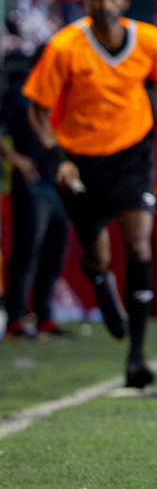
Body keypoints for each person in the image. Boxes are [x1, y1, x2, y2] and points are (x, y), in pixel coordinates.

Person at [23, 0, 157, 386]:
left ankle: (136, 356)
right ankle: (100, 281)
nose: (104, 4)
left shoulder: (150, 40)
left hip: (132, 155)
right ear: (83, 1)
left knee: (138, 246)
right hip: (81, 159)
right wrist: (58, 157)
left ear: (125, 0)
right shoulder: (65, 47)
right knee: (97, 254)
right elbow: (37, 109)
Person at [2, 62, 70, 338]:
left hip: (59, 184)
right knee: (27, 249)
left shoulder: (65, 92)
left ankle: (44, 316)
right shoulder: (18, 93)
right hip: (31, 184)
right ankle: (15, 318)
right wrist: (16, 159)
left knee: (55, 252)